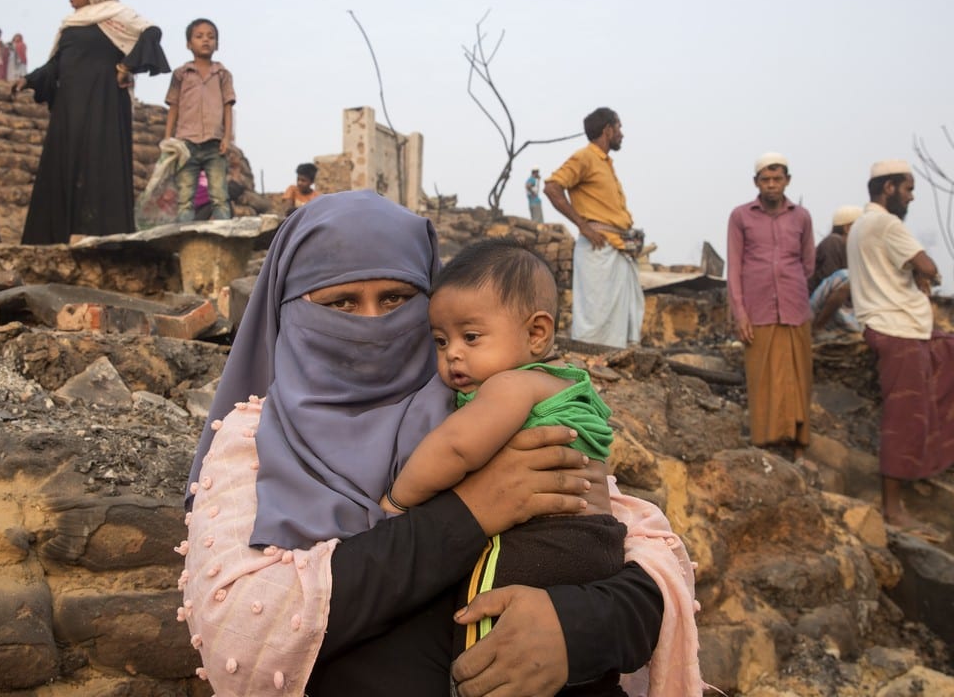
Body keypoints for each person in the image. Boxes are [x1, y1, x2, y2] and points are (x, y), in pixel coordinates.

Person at [180, 190, 702, 697]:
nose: (374, 324)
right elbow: (243, 631)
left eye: (396, 299)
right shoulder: (256, 439)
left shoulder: (480, 403)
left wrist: (572, 629)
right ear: (291, 310)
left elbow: (642, 559)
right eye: (341, 302)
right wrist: (471, 511)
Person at [379, 239, 626, 671]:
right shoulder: (564, 384)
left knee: (485, 638)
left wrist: (398, 500)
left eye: (471, 337)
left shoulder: (511, 386)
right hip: (598, 543)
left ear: (536, 334)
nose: (453, 352)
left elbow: (456, 447)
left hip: (544, 541)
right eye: (440, 341)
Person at [13, 0, 170, 244]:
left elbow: (150, 34)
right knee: (65, 165)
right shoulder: (70, 25)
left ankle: (101, 235)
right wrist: (29, 80)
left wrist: (126, 66)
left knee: (101, 163)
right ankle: (58, 236)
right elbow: (56, 65)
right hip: (69, 110)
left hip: (104, 105)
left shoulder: (117, 15)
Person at [847, 159, 954, 540]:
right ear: (888, 187)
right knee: (903, 417)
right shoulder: (886, 224)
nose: (910, 197)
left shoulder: (861, 224)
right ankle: (893, 510)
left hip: (897, 328)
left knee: (939, 374)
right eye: (907, 189)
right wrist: (927, 274)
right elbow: (929, 266)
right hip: (899, 330)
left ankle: (926, 466)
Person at [726, 153, 814, 458]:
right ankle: (766, 445)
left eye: (777, 179)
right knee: (762, 377)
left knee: (797, 377)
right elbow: (734, 267)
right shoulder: (741, 216)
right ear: (756, 183)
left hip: (795, 308)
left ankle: (797, 444)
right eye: (766, 179)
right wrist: (740, 313)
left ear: (787, 180)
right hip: (758, 309)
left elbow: (808, 264)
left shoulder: (801, 217)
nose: (772, 185)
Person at [544, 107, 643, 348]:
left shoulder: (605, 162)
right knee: (595, 320)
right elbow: (552, 187)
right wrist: (583, 226)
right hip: (598, 249)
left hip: (615, 247)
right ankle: (589, 368)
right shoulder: (586, 157)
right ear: (607, 130)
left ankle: (609, 365)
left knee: (614, 323)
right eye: (619, 128)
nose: (622, 134)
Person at [165, 18, 235, 222]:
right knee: (185, 197)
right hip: (186, 144)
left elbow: (227, 107)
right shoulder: (181, 74)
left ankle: (224, 237)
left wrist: (226, 138)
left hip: (214, 143)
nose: (205, 40)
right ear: (189, 44)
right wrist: (168, 139)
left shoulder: (223, 74)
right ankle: (185, 240)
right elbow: (174, 106)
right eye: (199, 36)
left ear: (217, 44)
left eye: (211, 37)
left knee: (220, 195)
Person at [809, 205, 863, 334]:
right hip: (816, 306)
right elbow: (832, 284)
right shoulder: (833, 242)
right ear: (848, 228)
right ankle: (818, 327)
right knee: (846, 277)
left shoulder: (853, 250)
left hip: (841, 305)